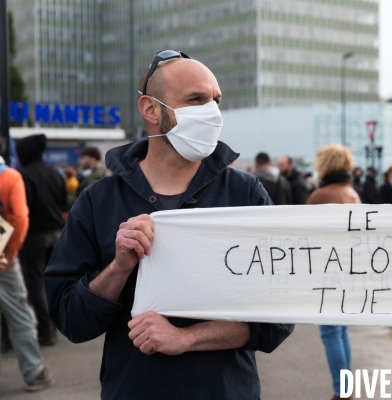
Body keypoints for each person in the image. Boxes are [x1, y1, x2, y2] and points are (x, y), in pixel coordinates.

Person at [43, 50, 293, 399]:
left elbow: (280, 314)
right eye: (196, 100)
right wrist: (119, 268)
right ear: (151, 109)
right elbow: (70, 319)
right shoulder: (98, 201)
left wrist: (187, 337)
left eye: (216, 100)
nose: (212, 113)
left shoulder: (244, 192)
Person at [306, 143, 359, 400]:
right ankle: (346, 385)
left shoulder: (321, 195)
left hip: (329, 271)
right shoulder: (352, 193)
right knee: (340, 330)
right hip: (349, 269)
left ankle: (342, 390)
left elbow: (303, 234)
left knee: (331, 331)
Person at [0, 154, 54, 392]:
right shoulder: (9, 177)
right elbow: (20, 217)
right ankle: (34, 372)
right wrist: (9, 252)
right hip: (4, 258)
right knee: (20, 313)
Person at [15, 134, 67, 346]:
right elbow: (65, 209)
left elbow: (20, 212)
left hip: (33, 236)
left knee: (34, 284)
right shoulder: (55, 174)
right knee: (52, 282)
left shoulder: (23, 175)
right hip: (56, 234)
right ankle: (56, 323)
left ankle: (45, 331)